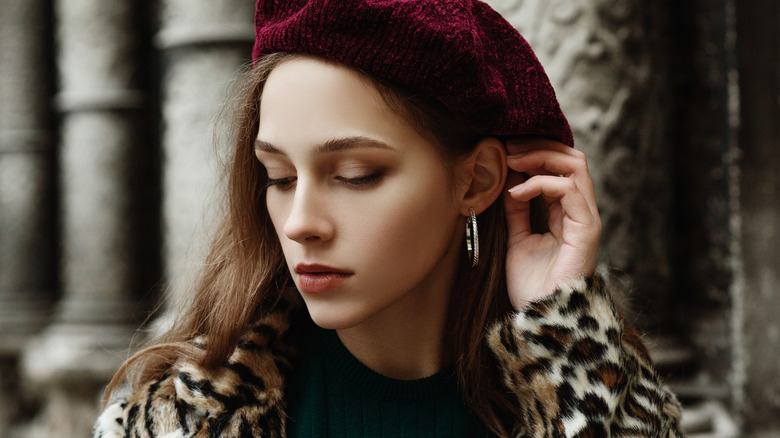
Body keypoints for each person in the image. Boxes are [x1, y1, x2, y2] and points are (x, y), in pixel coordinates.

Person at [94, 0, 683, 437]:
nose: (300, 222)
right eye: (279, 178)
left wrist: (565, 338)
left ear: (475, 180)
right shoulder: (184, 416)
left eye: (355, 175)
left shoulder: (569, 394)